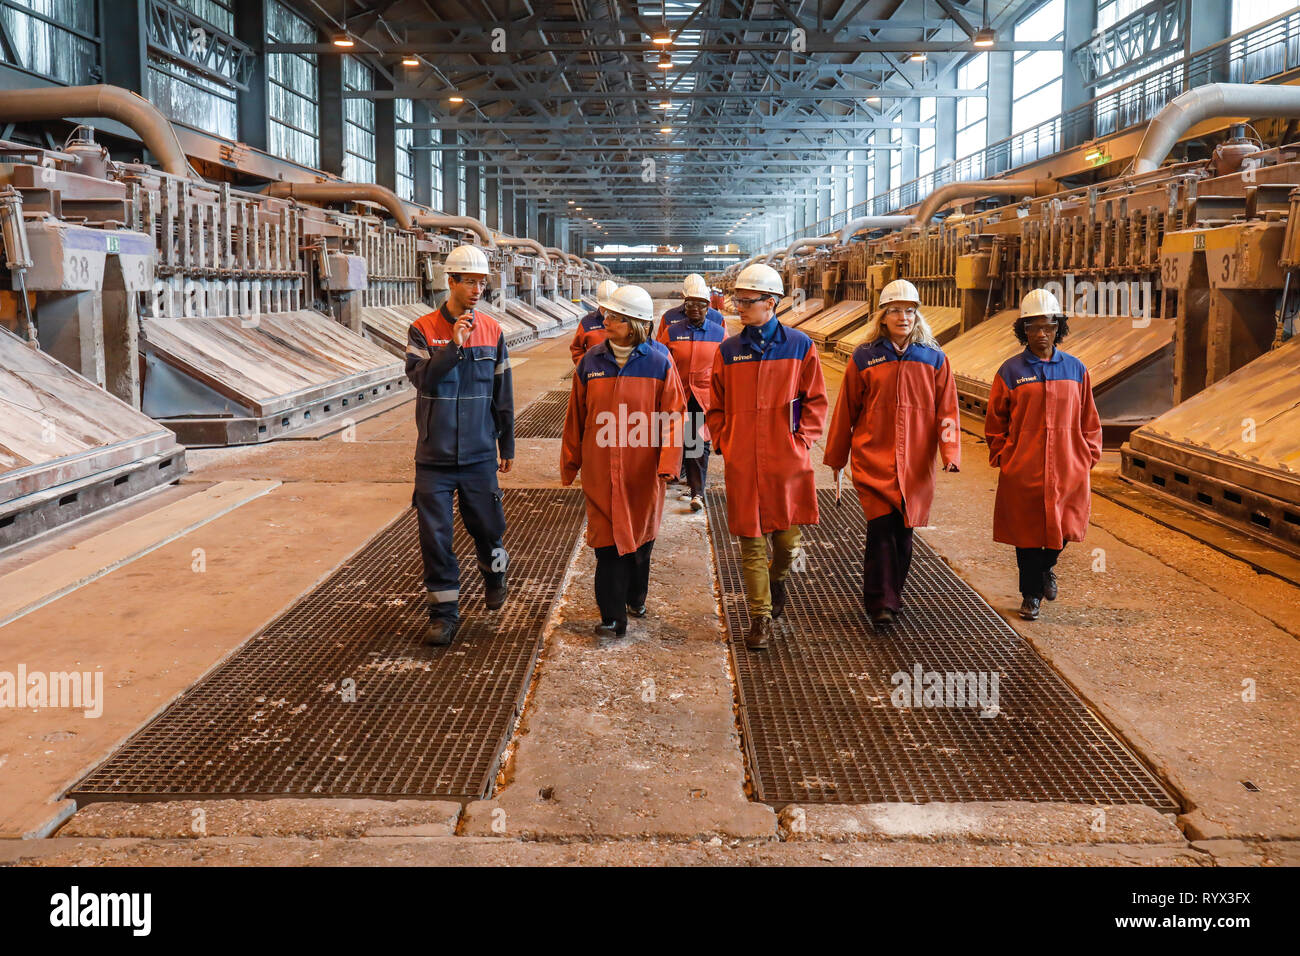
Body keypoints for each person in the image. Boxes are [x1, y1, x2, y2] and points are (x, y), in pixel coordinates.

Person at [823, 279, 961, 627]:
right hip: (873, 458)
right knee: (881, 530)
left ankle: (892, 594)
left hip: (915, 463)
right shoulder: (865, 357)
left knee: (904, 532)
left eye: (910, 311)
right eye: (896, 311)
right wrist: (837, 457)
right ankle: (880, 602)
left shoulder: (933, 358)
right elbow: (846, 411)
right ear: (882, 317)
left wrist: (951, 453)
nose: (903, 317)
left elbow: (947, 411)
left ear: (918, 316)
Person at [707, 262, 827, 650]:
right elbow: (717, 405)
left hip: (786, 459)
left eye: (746, 300)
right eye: (737, 299)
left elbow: (815, 401)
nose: (738, 306)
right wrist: (726, 441)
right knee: (751, 541)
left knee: (787, 541)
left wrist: (802, 441)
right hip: (744, 461)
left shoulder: (799, 346)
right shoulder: (728, 350)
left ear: (771, 303)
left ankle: (779, 580)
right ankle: (759, 617)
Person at [561, 285, 686, 636]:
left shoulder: (659, 362)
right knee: (607, 546)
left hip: (642, 470)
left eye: (613, 316)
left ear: (633, 325)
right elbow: (577, 416)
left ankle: (636, 595)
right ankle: (612, 618)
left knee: (640, 540)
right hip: (601, 468)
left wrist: (668, 463)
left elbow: (673, 417)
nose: (605, 320)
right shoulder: (591, 362)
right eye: (606, 314)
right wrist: (570, 462)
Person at [406, 244, 514, 646]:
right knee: (435, 536)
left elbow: (502, 392)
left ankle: (496, 572)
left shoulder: (493, 331)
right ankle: (443, 613)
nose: (476, 289)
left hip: (480, 452)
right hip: (433, 457)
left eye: (481, 282)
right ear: (449, 281)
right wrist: (452, 346)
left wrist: (508, 444)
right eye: (469, 281)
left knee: (488, 529)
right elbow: (423, 380)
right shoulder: (422, 328)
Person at [985, 288, 1102, 621]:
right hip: (1024, 466)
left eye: (1047, 326)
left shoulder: (1076, 370)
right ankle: (1030, 596)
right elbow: (996, 421)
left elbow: (1089, 419)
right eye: (1033, 327)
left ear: (1058, 328)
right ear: (1023, 330)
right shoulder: (1010, 372)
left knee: (1062, 527)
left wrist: (1088, 455)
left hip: (1067, 466)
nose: (1040, 334)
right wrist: (1004, 457)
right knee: (1026, 532)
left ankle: (1047, 568)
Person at [663, 295, 726, 511]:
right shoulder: (672, 331)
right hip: (678, 393)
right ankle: (682, 480)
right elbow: (660, 356)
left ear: (708, 308)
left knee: (697, 442)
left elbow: (726, 366)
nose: (695, 309)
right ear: (685, 307)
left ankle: (697, 492)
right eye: (690, 305)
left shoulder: (718, 333)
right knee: (678, 440)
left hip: (703, 395)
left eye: (700, 305)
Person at [656, 273, 725, 343]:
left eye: (700, 303)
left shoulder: (718, 318)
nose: (695, 308)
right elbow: (660, 347)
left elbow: (725, 344)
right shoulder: (669, 317)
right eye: (692, 302)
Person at [570, 278, 619, 364]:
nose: (607, 309)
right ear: (599, 303)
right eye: (604, 306)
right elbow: (576, 348)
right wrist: (585, 366)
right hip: (595, 374)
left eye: (610, 306)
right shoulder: (587, 322)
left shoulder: (624, 322)